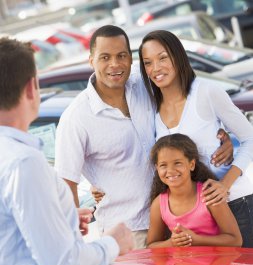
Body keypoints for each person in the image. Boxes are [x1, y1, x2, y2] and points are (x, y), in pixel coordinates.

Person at [0, 37, 143, 265]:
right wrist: (115, 243)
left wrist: (63, 218)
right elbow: (62, 264)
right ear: (32, 87)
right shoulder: (23, 161)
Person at [55, 25, 233, 249]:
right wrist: (73, 244)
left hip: (177, 220)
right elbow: (66, 183)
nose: (115, 64)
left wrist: (223, 136)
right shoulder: (76, 117)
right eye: (105, 57)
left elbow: (187, 103)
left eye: (121, 55)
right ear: (91, 60)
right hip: (128, 231)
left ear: (131, 58)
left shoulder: (144, 84)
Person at [139, 30, 253, 247]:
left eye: (163, 58)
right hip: (198, 220)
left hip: (236, 203)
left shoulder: (207, 92)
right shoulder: (151, 109)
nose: (156, 68)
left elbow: (250, 138)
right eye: (148, 62)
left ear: (178, 56)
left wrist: (225, 185)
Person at [147, 134, 242, 247]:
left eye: (177, 163)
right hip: (180, 264)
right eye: (163, 165)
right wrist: (171, 243)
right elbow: (151, 246)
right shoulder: (158, 204)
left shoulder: (209, 195)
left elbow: (235, 240)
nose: (170, 170)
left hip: (213, 263)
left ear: (191, 164)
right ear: (157, 168)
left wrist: (196, 240)